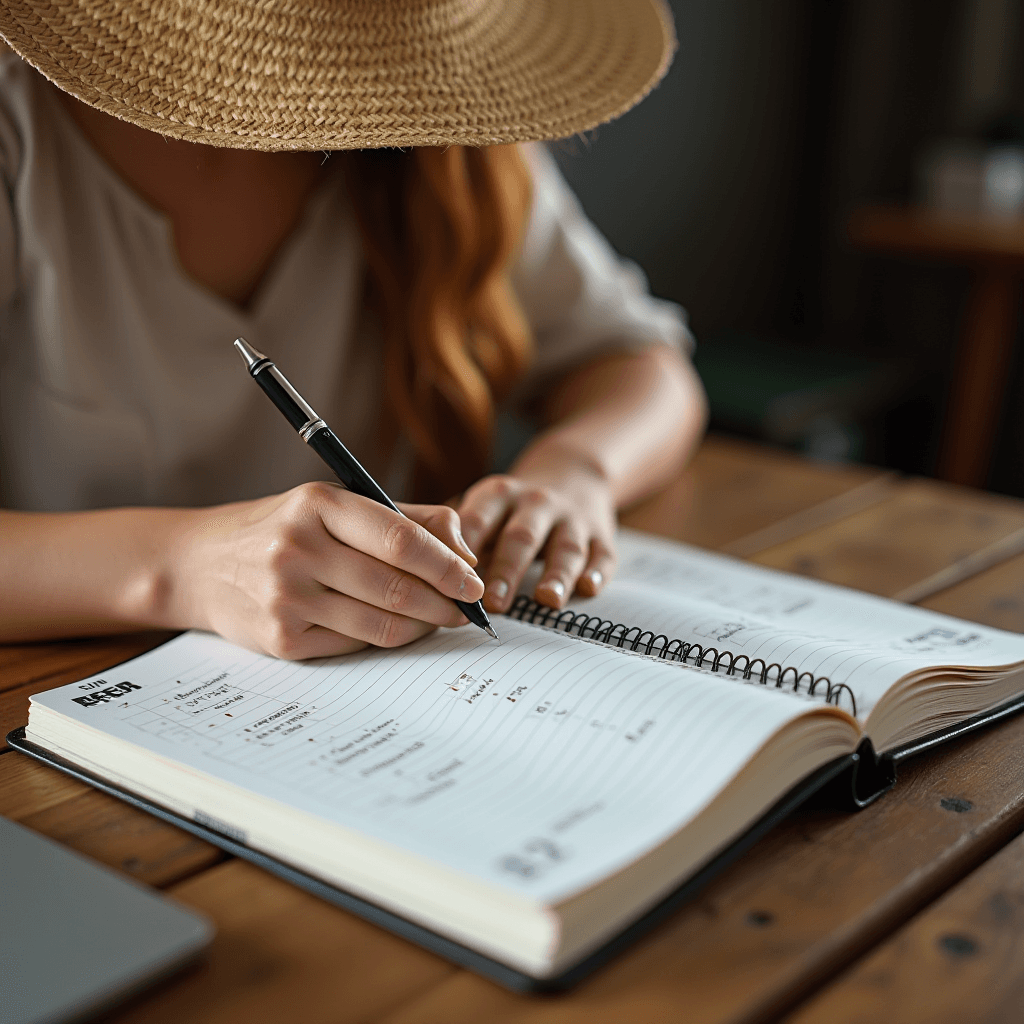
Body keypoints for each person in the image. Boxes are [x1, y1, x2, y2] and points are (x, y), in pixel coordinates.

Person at [0, 0, 707, 659]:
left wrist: (576, 471)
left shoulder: (439, 114)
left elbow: (642, 364)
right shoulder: (20, 124)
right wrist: (180, 567)